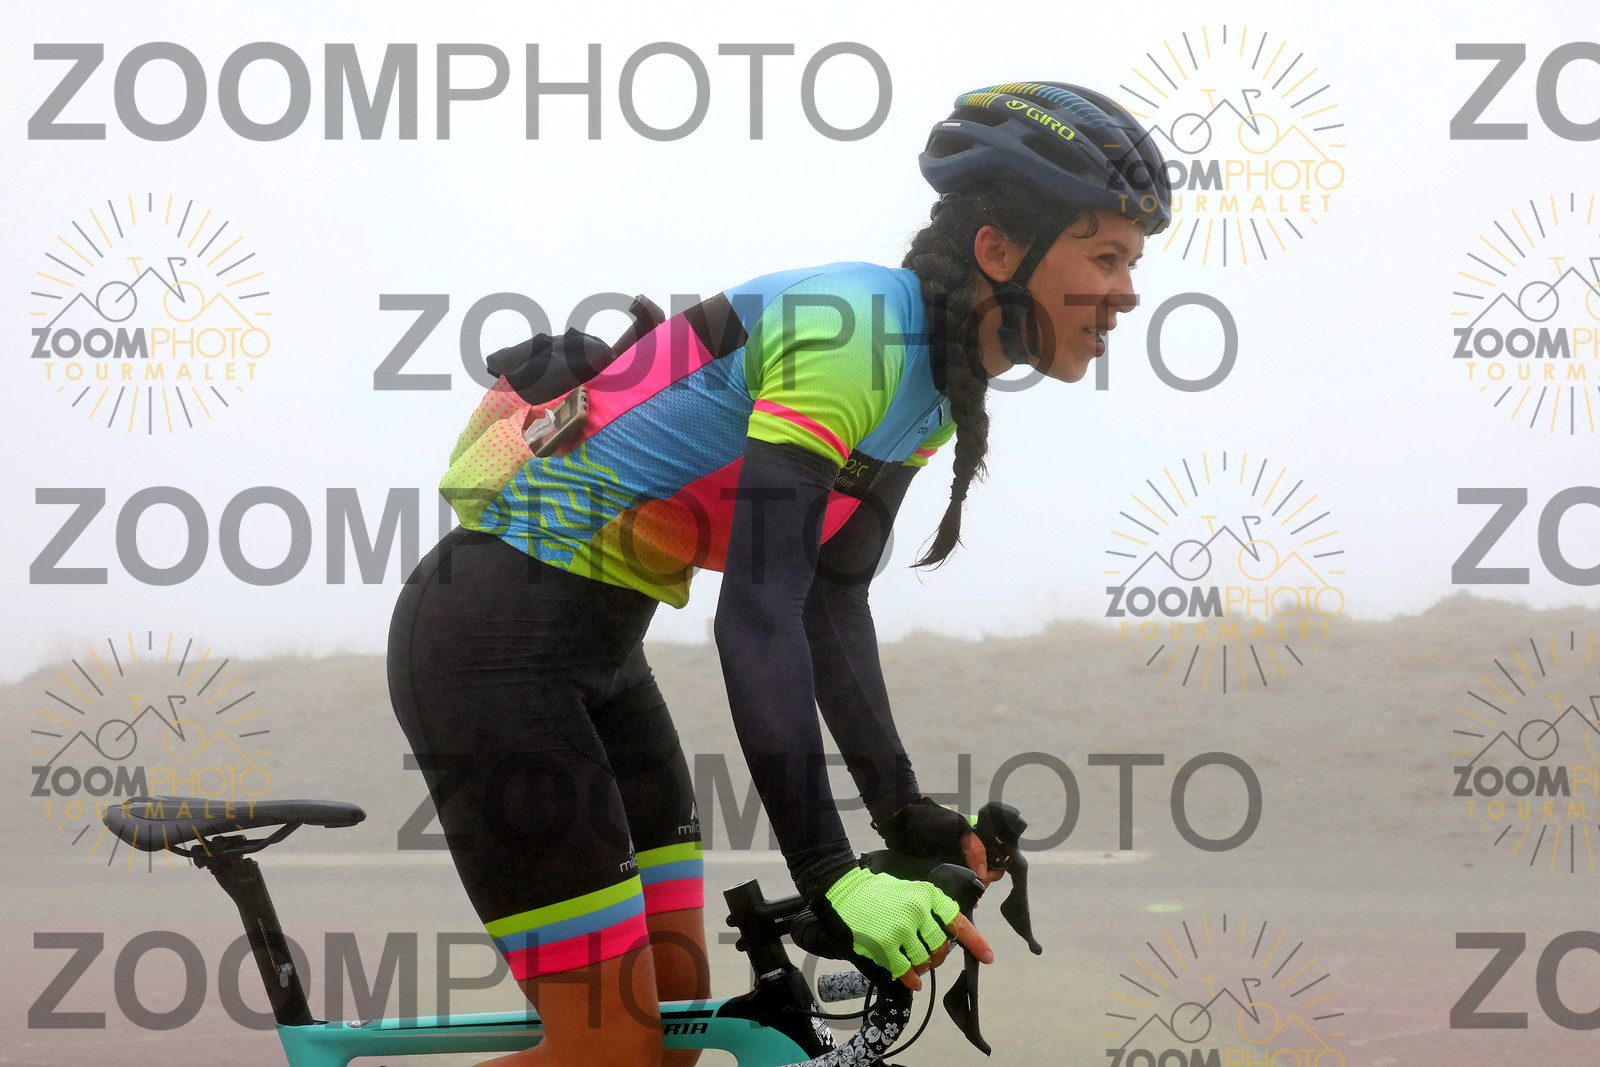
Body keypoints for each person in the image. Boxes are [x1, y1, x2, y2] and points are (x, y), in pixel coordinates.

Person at [387, 80, 1170, 1067]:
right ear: (1000, 250)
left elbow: (828, 595)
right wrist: (831, 873)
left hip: (604, 663)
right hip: (491, 648)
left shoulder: (937, 381)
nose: (1127, 292)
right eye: (1106, 257)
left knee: (674, 1037)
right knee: (608, 1053)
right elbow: (756, 611)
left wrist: (904, 812)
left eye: (1132, 263)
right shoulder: (854, 333)